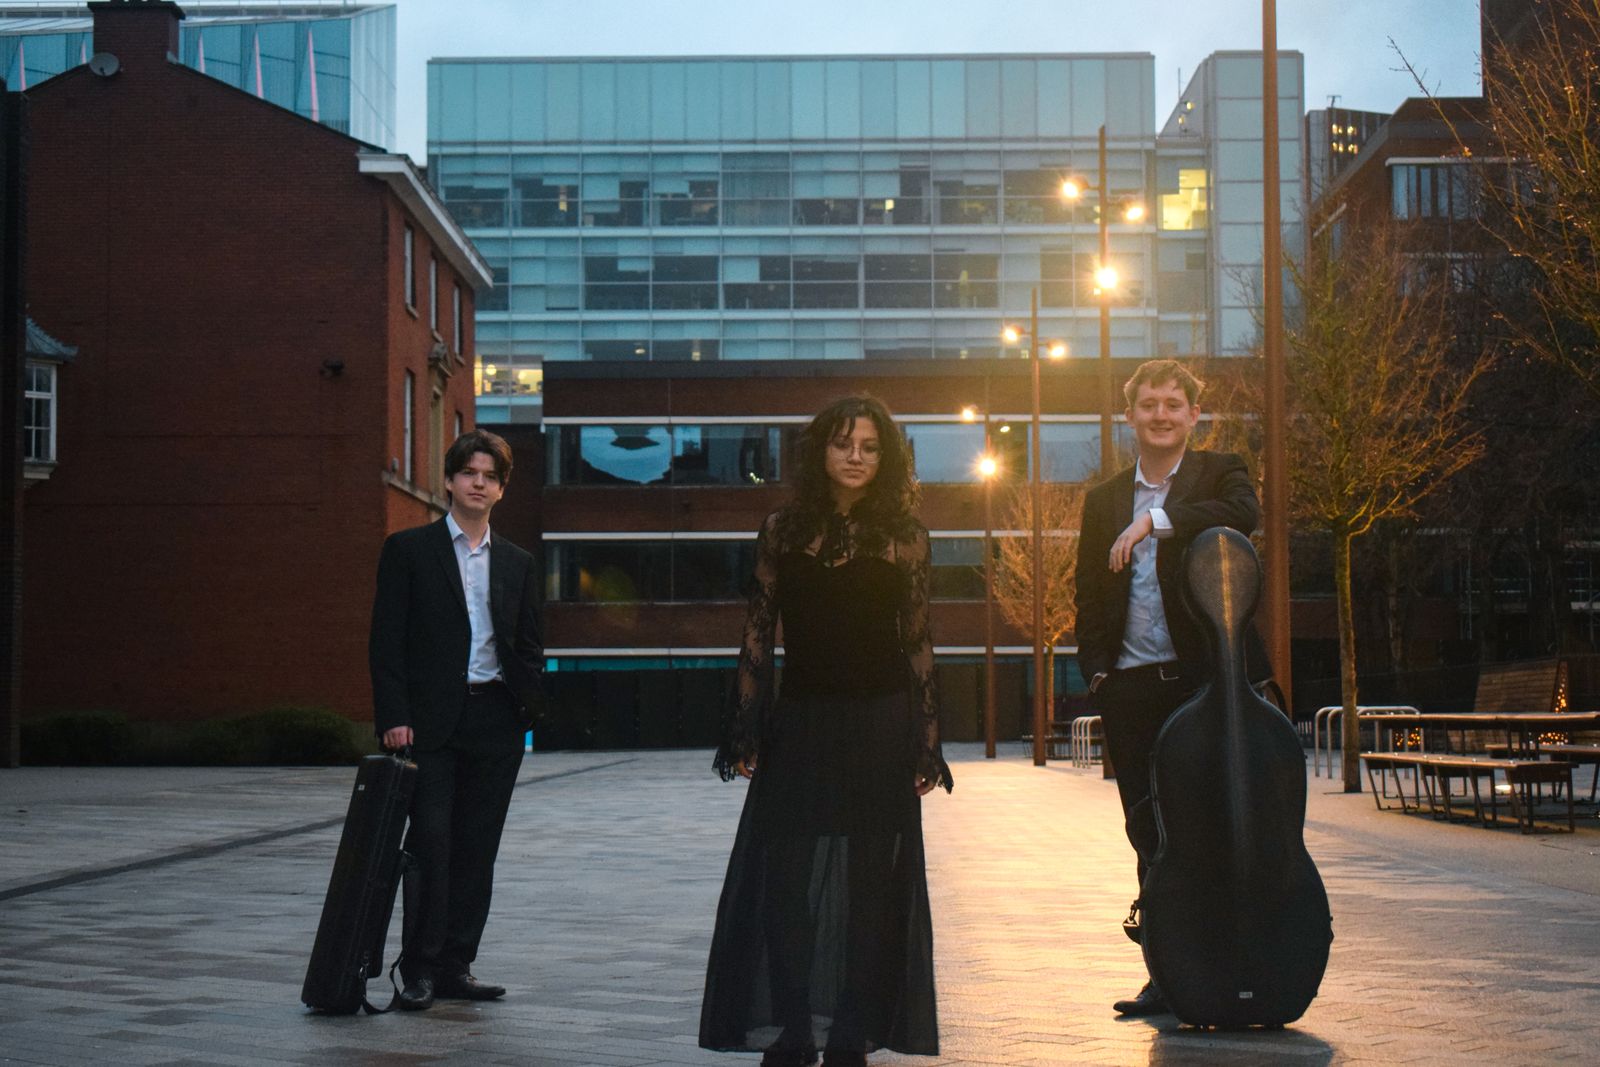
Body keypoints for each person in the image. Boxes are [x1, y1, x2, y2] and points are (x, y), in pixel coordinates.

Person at [699, 395, 953, 1067]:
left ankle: (851, 1031)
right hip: (802, 722)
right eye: (844, 444)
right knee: (785, 878)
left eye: (870, 446)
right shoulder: (783, 530)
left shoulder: (905, 535)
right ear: (822, 452)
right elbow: (758, 633)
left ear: (886, 457)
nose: (856, 457)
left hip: (881, 722)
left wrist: (927, 743)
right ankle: (793, 1028)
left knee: (873, 884)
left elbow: (918, 640)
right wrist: (746, 728)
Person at [1073, 359, 1268, 1018]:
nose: (1161, 414)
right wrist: (1098, 673)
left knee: (1212, 823)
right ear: (1130, 415)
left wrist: (1154, 520)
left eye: (1173, 404)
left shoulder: (1220, 472)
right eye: (1149, 404)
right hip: (1129, 687)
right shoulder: (1102, 500)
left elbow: (1244, 514)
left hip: (1203, 683)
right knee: (1148, 832)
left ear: (1193, 414)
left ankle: (1227, 967)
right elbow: (1087, 592)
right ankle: (1167, 972)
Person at [369, 429, 544, 1011]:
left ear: (501, 490)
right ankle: (418, 970)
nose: (478, 483)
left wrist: (526, 709)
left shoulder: (518, 562)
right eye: (469, 473)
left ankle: (456, 966)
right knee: (430, 845)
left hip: (495, 722)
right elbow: (386, 641)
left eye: (490, 477)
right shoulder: (408, 551)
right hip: (429, 725)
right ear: (448, 480)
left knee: (477, 850)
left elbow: (529, 644)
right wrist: (394, 715)